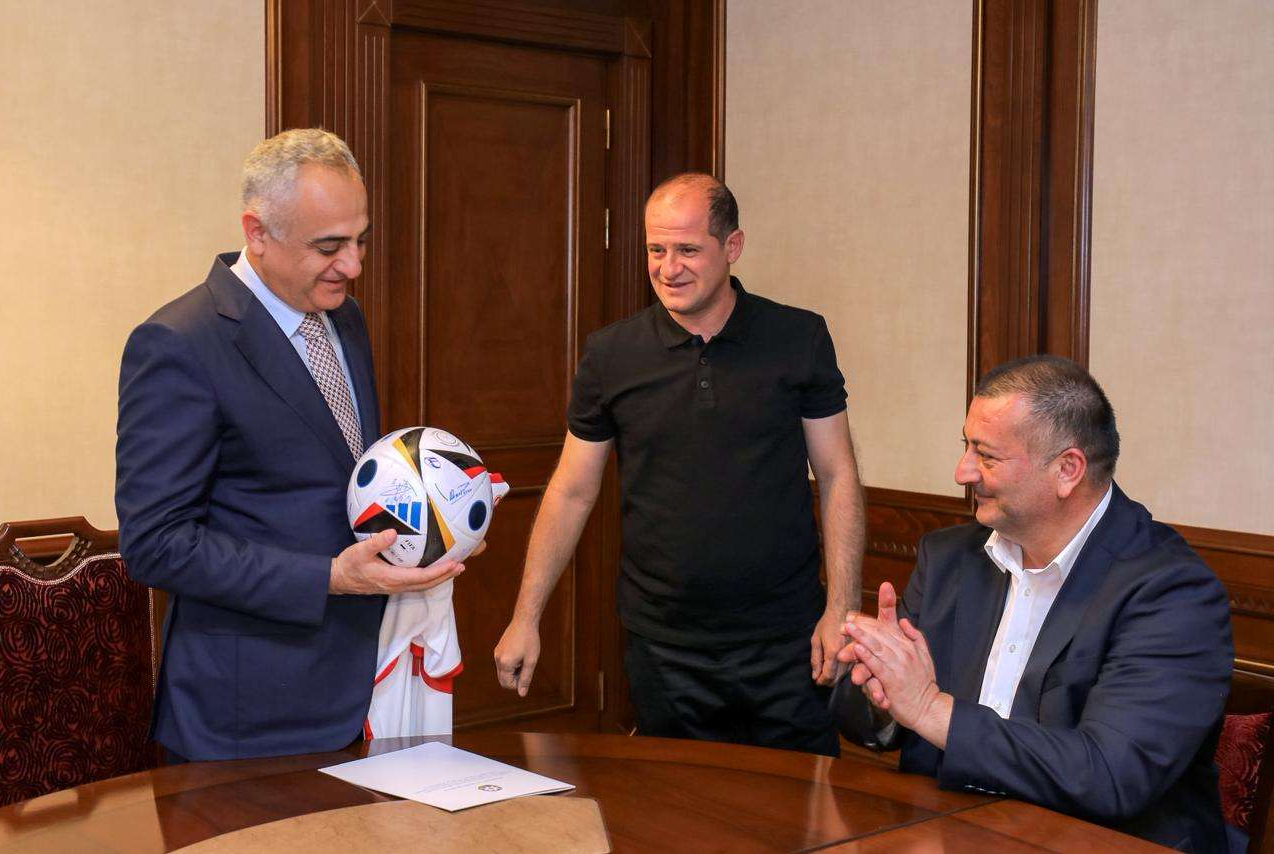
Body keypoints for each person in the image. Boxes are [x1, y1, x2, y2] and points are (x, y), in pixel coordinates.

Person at [116, 129, 466, 761]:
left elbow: (340, 483)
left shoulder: (345, 317)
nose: (353, 266)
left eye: (361, 240)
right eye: (329, 246)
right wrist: (327, 578)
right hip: (246, 716)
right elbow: (156, 544)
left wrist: (442, 523)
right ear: (257, 232)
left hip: (360, 688)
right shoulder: (179, 343)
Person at [493, 173, 865, 756]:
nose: (669, 269)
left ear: (732, 246)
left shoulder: (800, 338)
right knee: (677, 805)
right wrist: (525, 616)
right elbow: (571, 491)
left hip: (786, 640)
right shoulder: (610, 355)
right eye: (656, 250)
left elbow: (838, 474)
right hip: (663, 646)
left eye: (687, 250)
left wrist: (841, 608)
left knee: (797, 805)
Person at [832, 355, 1231, 849]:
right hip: (946, 833)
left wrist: (931, 709)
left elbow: (1109, 775)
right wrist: (883, 695)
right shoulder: (949, 558)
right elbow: (860, 717)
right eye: (965, 446)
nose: (962, 472)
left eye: (986, 456)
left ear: (1067, 470)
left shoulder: (1173, 594)